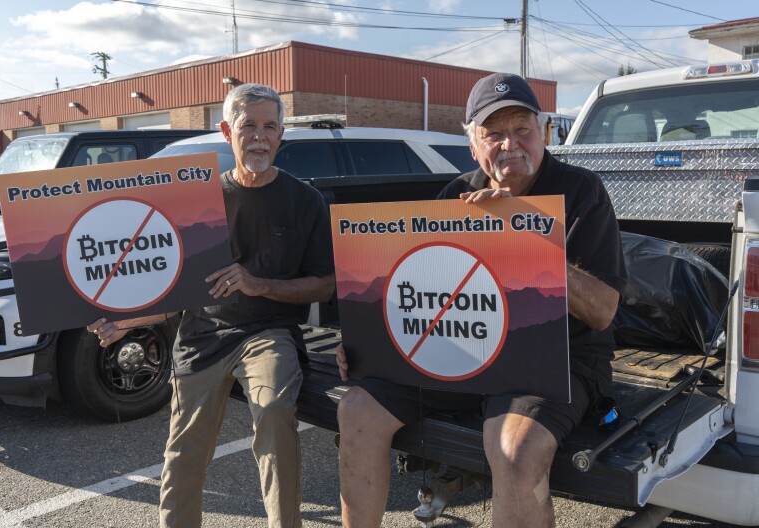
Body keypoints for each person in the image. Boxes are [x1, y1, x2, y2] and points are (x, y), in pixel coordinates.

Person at [336, 72, 627, 528]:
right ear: (473, 146)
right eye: (493, 133)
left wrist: (520, 230)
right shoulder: (456, 194)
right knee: (355, 410)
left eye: (522, 130)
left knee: (514, 451)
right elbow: (419, 295)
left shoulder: (582, 191)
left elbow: (603, 310)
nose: (510, 144)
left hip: (556, 358)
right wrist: (367, 347)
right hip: (463, 351)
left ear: (545, 133)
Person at [88, 83, 335, 528]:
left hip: (268, 334)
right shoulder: (198, 203)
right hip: (202, 335)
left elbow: (323, 286)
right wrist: (127, 321)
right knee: (184, 453)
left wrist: (259, 284)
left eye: (269, 127)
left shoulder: (305, 201)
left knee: (275, 412)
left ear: (281, 135)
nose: (259, 136)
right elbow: (175, 288)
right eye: (248, 126)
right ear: (227, 131)